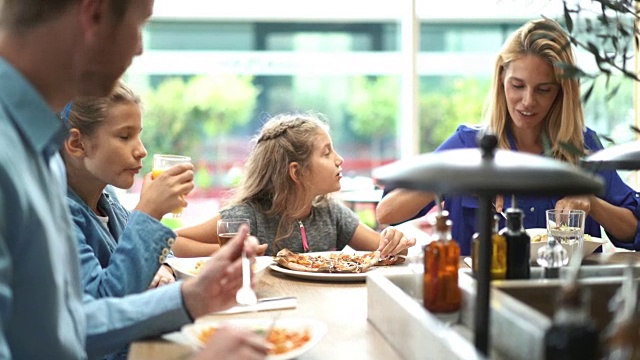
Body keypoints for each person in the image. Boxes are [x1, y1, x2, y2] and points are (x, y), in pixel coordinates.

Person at [0, 1, 268, 359]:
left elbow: (61, 328)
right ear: (93, 15)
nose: (139, 47)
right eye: (139, 24)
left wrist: (190, 297)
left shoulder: (41, 152)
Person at [376, 18, 640, 256]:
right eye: (517, 85)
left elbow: (634, 230)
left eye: (543, 90)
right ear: (501, 78)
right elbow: (387, 212)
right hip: (480, 295)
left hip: (565, 295)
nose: (528, 101)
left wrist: (592, 204)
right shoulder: (468, 145)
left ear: (561, 92)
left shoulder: (582, 147)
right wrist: (459, 178)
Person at [173, 113, 416, 258]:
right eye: (327, 153)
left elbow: (385, 250)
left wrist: (395, 242)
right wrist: (225, 254)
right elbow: (173, 241)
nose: (339, 159)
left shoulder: (330, 213)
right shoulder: (249, 216)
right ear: (297, 172)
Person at [61, 81, 192, 301]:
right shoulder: (59, 213)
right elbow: (102, 299)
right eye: (125, 136)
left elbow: (147, 249)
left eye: (139, 135)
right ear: (77, 144)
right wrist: (149, 212)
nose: (142, 150)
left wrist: (165, 268)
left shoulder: (107, 196)